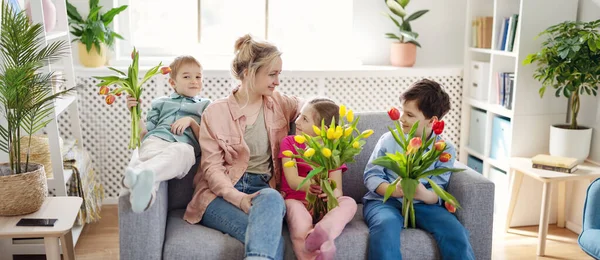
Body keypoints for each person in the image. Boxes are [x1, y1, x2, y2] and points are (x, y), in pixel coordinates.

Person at [183, 34, 302, 260]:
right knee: (268, 236)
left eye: (279, 74)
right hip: (218, 195)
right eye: (272, 74)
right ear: (248, 73)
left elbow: (311, 108)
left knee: (272, 198)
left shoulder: (280, 103)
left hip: (264, 191)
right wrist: (238, 198)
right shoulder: (215, 112)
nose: (277, 81)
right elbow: (212, 169)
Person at [362, 79, 475, 260]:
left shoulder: (444, 149)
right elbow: (371, 175)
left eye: (410, 114)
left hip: (422, 204)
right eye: (403, 111)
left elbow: (439, 189)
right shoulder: (389, 140)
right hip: (384, 201)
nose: (402, 118)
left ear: (432, 121)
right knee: (386, 225)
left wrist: (423, 194)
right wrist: (392, 190)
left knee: (454, 231)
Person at [123, 55, 210, 213]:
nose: (194, 81)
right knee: (148, 155)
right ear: (172, 82)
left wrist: (191, 121)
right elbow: (144, 135)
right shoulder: (160, 103)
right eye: (186, 76)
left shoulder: (206, 106)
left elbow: (208, 141)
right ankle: (144, 199)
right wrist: (134, 113)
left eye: (198, 76)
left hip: (182, 146)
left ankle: (137, 173)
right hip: (155, 141)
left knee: (182, 152)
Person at [279, 98, 357, 260]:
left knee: (349, 202)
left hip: (324, 207)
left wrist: (329, 195)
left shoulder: (333, 151)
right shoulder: (290, 143)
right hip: (297, 201)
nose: (297, 121)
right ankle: (313, 256)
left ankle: (321, 232)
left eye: (305, 119)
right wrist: (311, 186)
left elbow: (337, 189)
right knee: (298, 216)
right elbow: (293, 180)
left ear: (324, 129)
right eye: (300, 115)